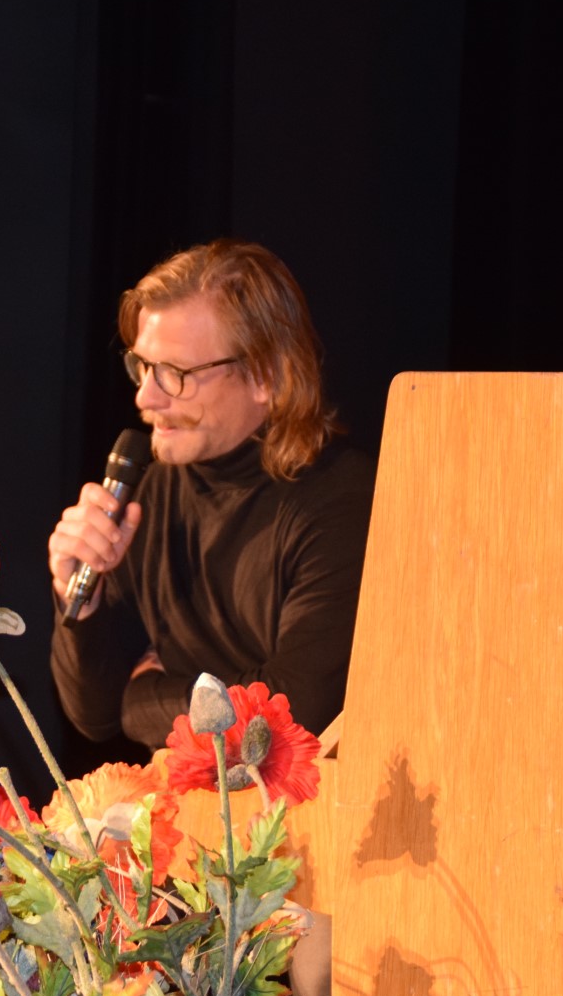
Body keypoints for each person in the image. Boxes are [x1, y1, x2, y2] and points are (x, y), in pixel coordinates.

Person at [48, 239, 376, 750]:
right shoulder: (152, 490)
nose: (145, 396)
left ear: (266, 375)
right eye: (142, 366)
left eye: (175, 374)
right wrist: (79, 600)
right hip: (191, 796)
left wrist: (143, 701)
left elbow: (290, 716)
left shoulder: (343, 502)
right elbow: (93, 714)